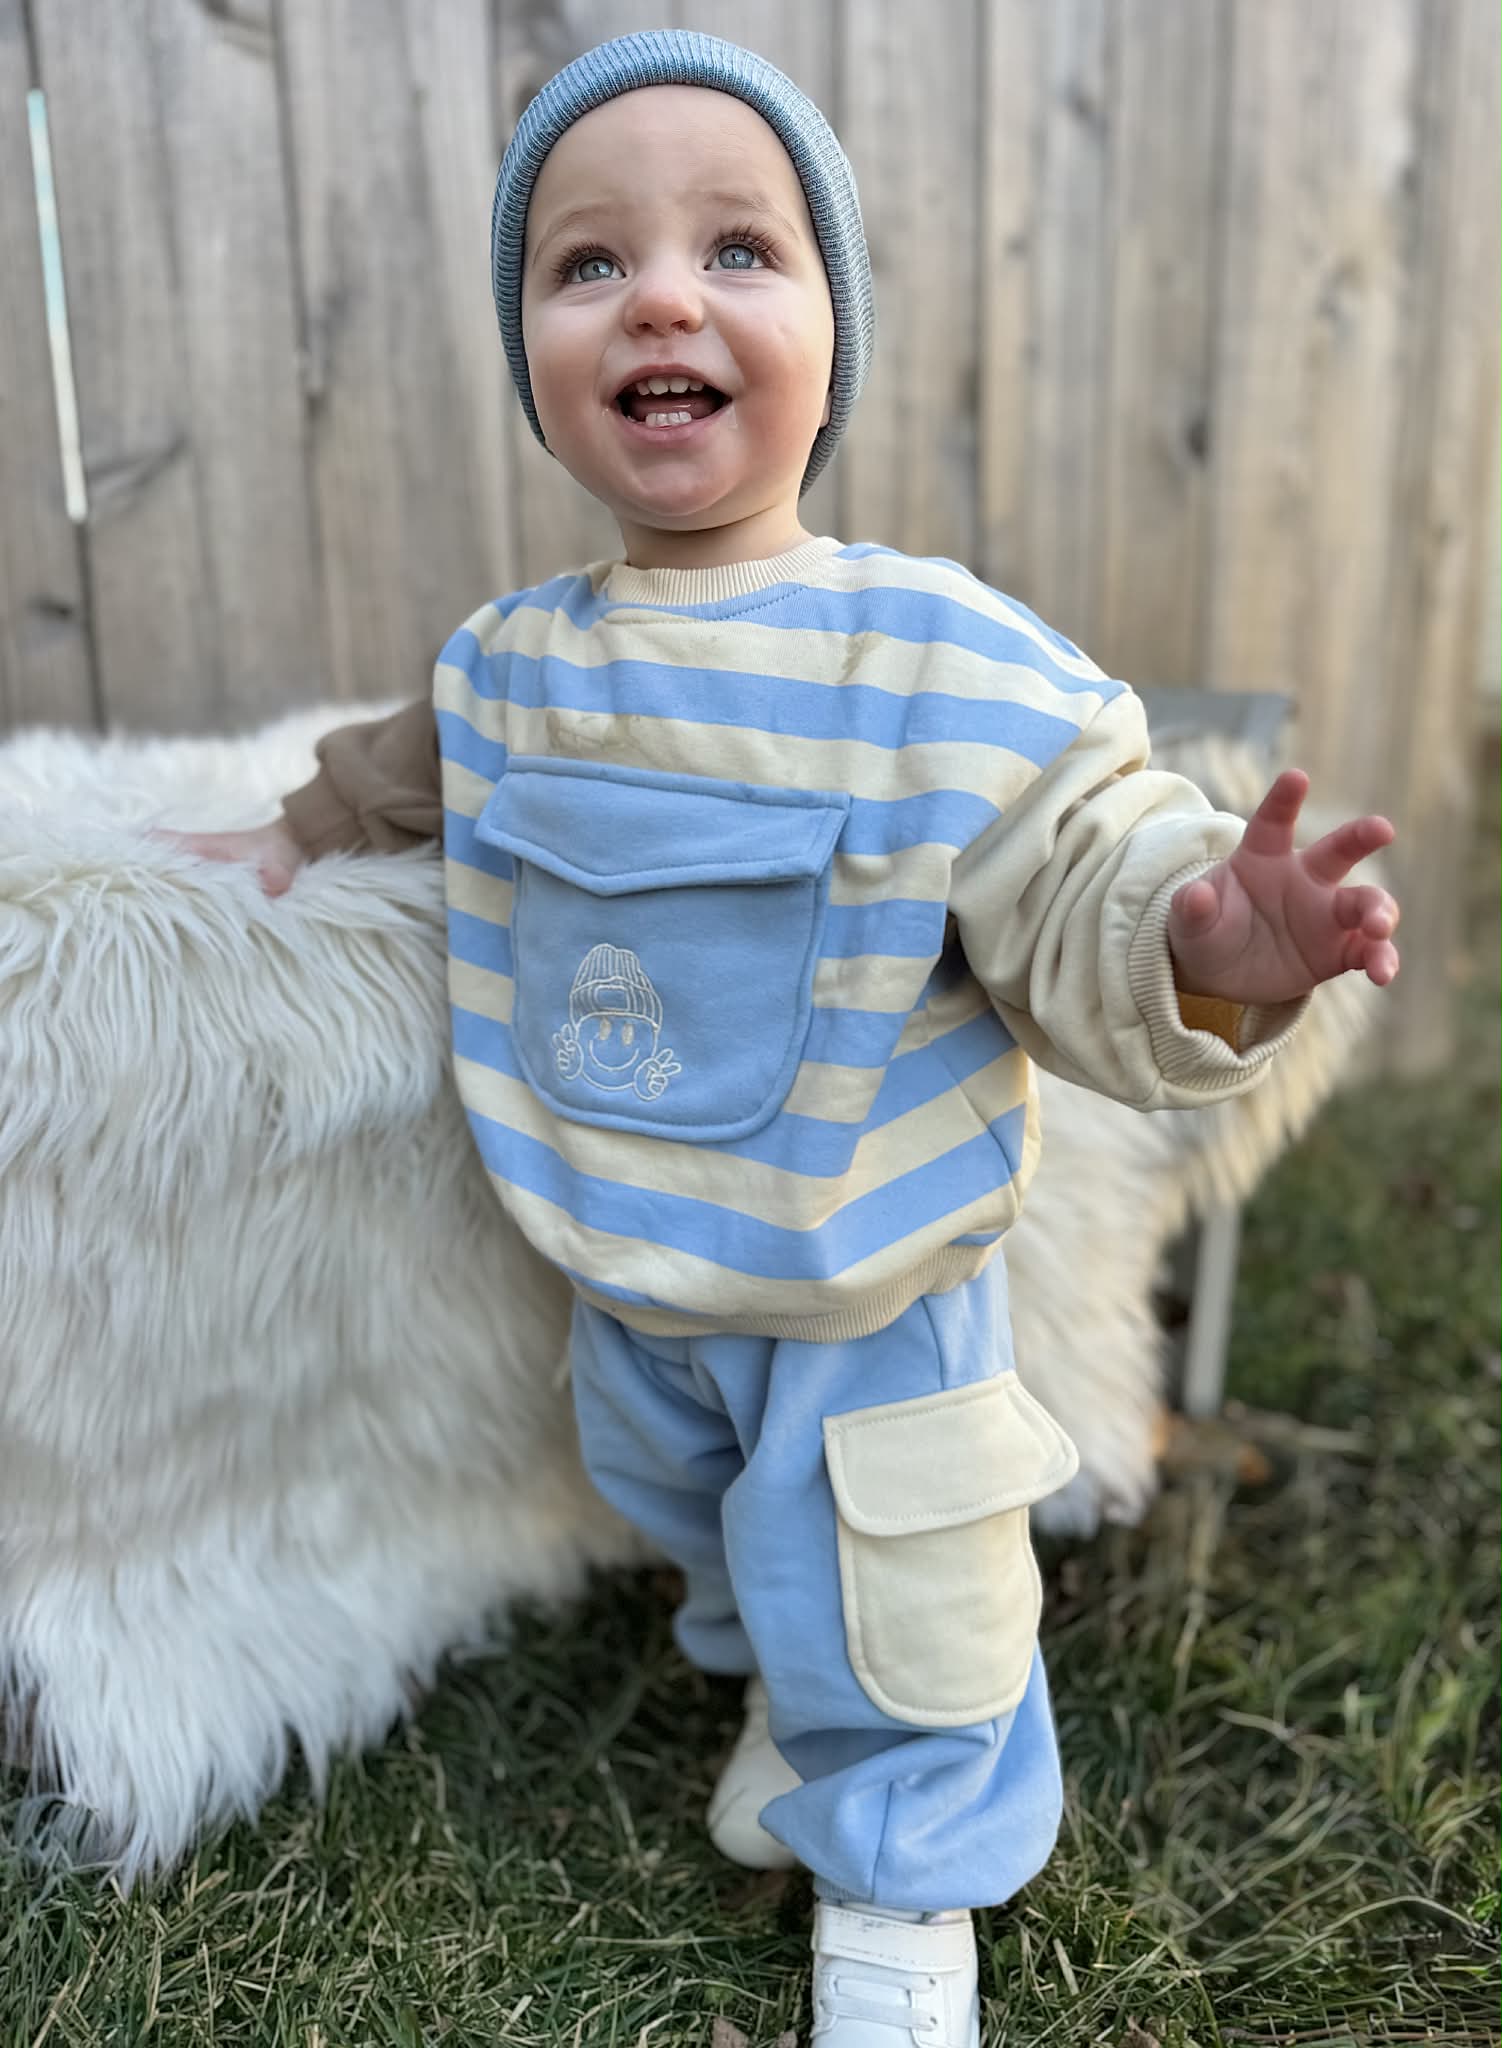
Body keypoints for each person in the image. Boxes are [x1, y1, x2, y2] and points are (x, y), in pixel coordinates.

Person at [165, 32, 1400, 2045]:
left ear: (836, 336)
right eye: (588, 264)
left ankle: (904, 1872)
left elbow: (1083, 855)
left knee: (905, 1600)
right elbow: (411, 767)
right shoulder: (516, 663)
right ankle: (778, 1678)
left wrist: (1210, 935)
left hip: (863, 1282)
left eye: (738, 249)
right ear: (536, 359)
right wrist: (292, 827)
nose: (661, 297)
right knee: (709, 1520)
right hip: (630, 1263)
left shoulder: (927, 655)